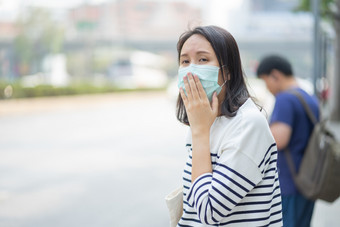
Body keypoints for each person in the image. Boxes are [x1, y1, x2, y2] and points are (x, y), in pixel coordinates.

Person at [175, 25, 282, 226]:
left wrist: (199, 132)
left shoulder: (246, 124)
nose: (191, 69)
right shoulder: (205, 119)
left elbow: (209, 212)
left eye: (203, 59)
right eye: (185, 61)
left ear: (228, 72)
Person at [256, 55, 319, 227]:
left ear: (275, 75)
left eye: (265, 80)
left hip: (289, 182)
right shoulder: (309, 97)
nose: (267, 87)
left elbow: (279, 140)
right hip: (307, 180)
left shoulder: (285, 99)